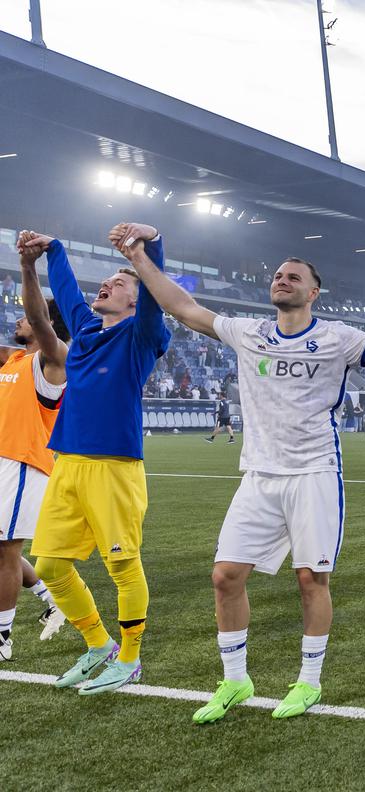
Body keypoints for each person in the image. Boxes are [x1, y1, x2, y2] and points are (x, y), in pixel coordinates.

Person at [118, 228, 365, 722]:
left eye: (294, 276)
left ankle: (308, 683)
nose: (282, 280)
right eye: (277, 275)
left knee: (311, 578)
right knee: (225, 576)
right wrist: (139, 257)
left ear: (314, 292)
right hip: (259, 475)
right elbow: (182, 307)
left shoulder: (337, 337)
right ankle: (235, 680)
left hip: (313, 472)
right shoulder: (248, 332)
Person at [23, 225, 171, 695]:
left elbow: (154, 289)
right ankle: (98, 644)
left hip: (114, 467)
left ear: (134, 299)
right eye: (106, 281)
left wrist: (150, 247)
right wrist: (53, 249)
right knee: (47, 566)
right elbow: (65, 289)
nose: (107, 285)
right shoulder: (86, 331)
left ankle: (130, 659)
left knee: (124, 567)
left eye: (121, 282)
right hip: (67, 463)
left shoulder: (143, 334)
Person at [0, 247, 71, 658]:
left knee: (6, 551)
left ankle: (3, 637)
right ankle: (51, 598)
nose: (19, 319)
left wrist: (27, 266)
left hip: (22, 464)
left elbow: (41, 319)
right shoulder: (13, 361)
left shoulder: (50, 361)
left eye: (27, 316)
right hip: (4, 462)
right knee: (3, 550)